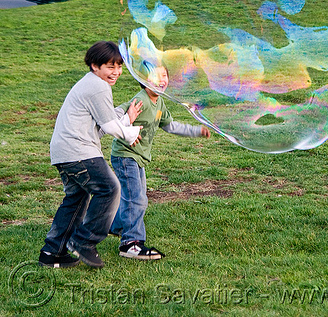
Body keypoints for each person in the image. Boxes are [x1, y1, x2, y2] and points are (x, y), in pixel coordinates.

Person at [39, 41, 142, 269]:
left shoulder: (91, 84)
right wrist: (129, 133)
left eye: (119, 66)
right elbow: (111, 126)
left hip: (63, 152)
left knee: (76, 199)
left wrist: (126, 118)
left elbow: (104, 124)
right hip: (78, 151)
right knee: (110, 188)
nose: (116, 72)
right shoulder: (98, 86)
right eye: (110, 67)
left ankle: (51, 253)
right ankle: (84, 241)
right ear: (95, 66)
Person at [110, 65, 211, 260]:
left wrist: (196, 131)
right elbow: (117, 114)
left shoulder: (159, 103)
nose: (162, 79)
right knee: (136, 199)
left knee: (136, 198)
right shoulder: (141, 99)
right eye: (156, 76)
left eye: (164, 75)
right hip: (125, 156)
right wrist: (126, 124)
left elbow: (171, 126)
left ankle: (113, 226)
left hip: (137, 157)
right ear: (145, 80)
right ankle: (131, 243)